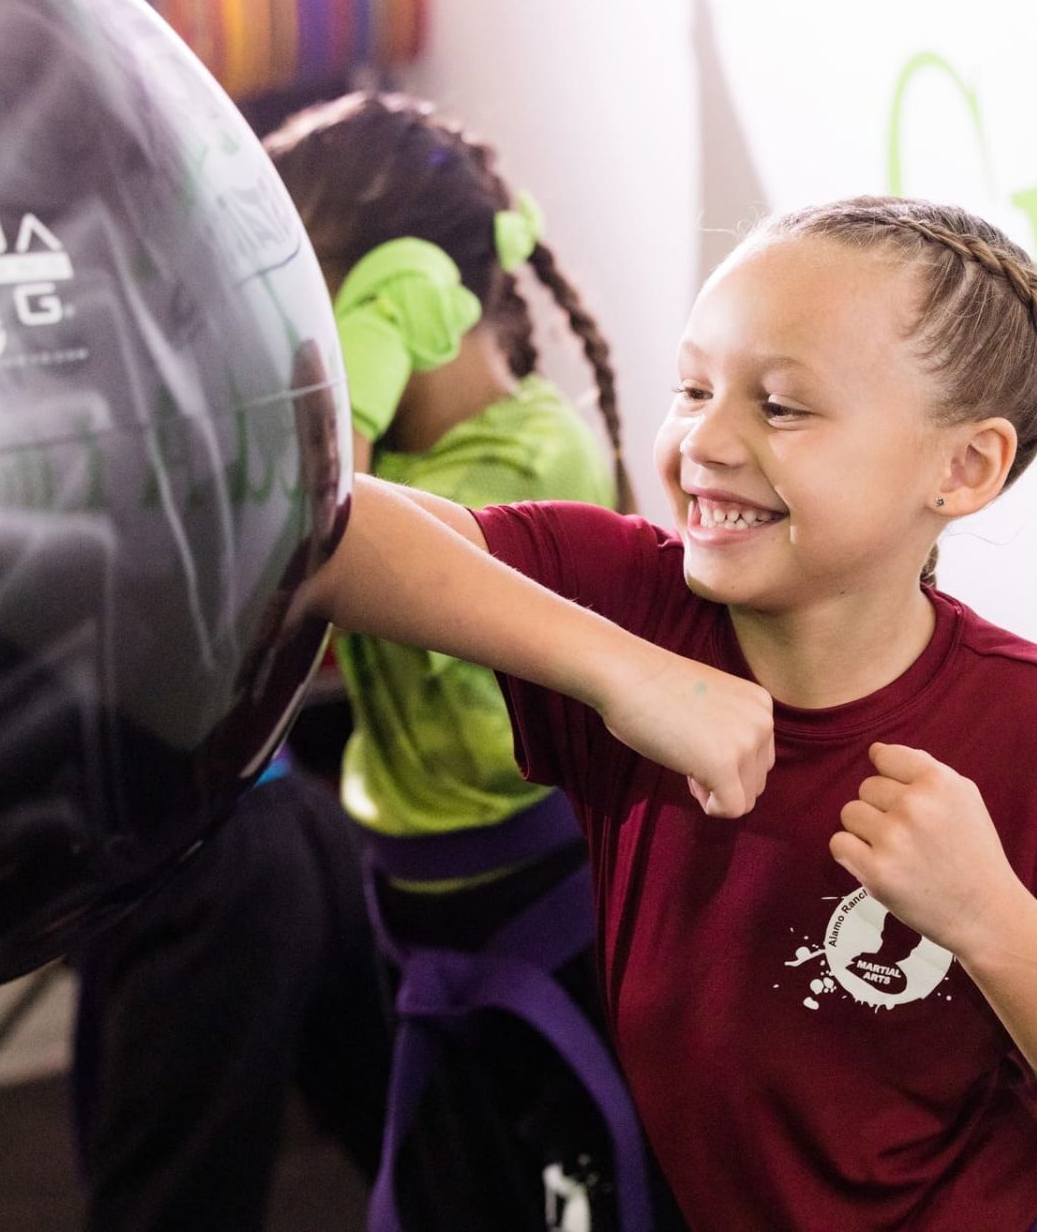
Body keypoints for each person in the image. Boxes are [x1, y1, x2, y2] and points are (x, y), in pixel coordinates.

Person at [297, 195, 1037, 1231]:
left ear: (963, 469)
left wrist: (986, 914)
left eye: (780, 406)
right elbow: (317, 536)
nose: (706, 438)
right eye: (692, 387)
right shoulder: (633, 606)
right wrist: (625, 674)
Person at [261, 92, 682, 1232]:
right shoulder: (389, 453)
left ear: (397, 304)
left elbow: (308, 546)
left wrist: (353, 373)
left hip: (548, 924)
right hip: (428, 912)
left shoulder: (526, 457)